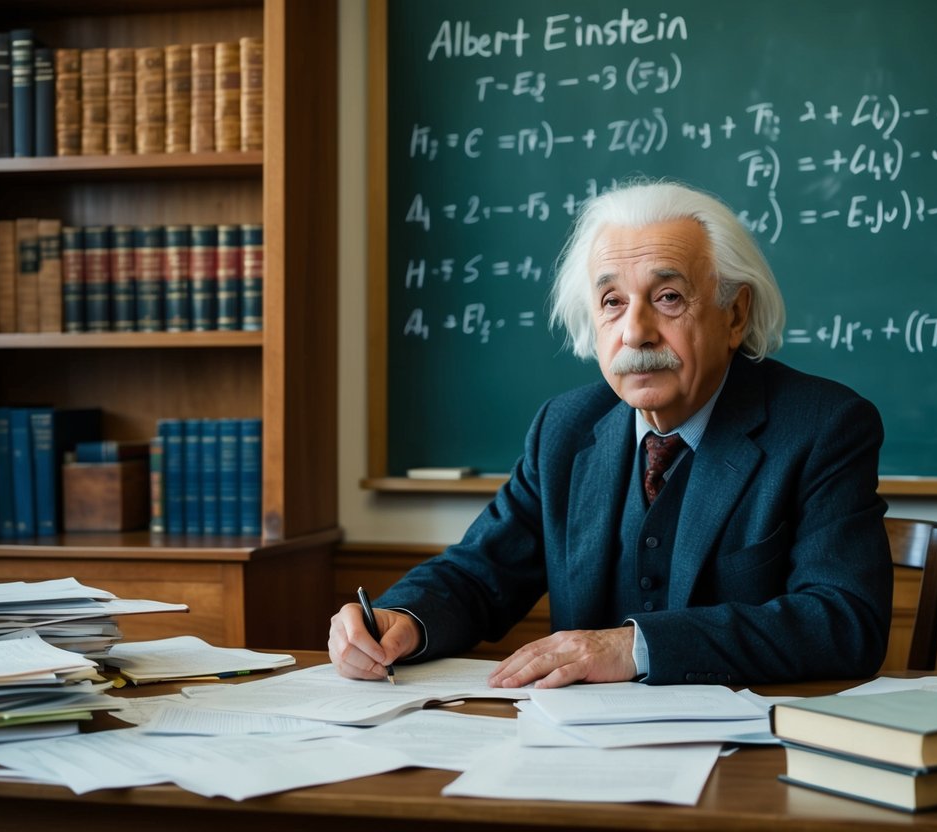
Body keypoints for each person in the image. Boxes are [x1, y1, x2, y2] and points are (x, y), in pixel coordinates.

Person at [329, 179, 892, 688]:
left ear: (735, 314)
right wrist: (401, 618)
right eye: (613, 302)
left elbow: (844, 621)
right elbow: (479, 573)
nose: (635, 331)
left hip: (748, 747)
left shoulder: (823, 425)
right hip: (579, 746)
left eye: (668, 298)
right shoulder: (565, 428)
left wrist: (635, 646)